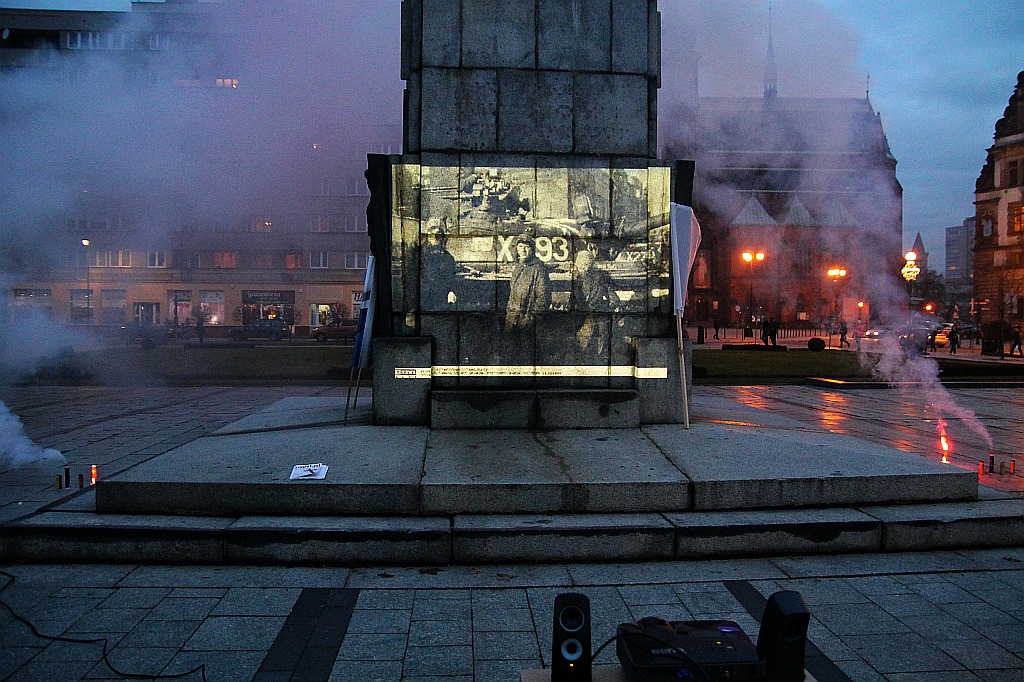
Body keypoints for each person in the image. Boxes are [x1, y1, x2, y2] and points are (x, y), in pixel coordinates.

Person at [504, 235, 549, 330]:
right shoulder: (518, 267)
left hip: (527, 321)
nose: (523, 250)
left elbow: (543, 298)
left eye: (526, 247)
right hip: (512, 319)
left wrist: (530, 318)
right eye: (520, 246)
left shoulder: (538, 269)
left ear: (532, 250)